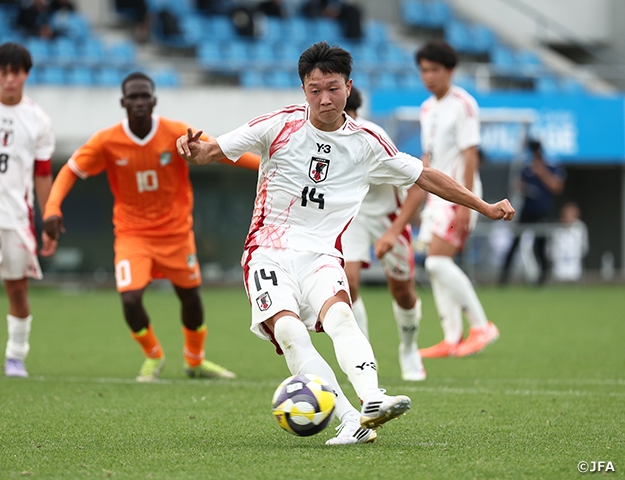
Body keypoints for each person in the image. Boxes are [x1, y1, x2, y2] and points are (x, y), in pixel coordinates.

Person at [176, 41, 514, 445]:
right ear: (304, 90)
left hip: (321, 254)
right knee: (290, 331)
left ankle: (372, 398)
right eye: (315, 89)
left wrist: (482, 205)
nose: (325, 99)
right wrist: (194, 150)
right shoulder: (279, 125)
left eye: (333, 88)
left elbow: (425, 175)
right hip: (267, 252)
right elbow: (211, 150)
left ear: (348, 88)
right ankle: (348, 419)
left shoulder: (367, 140)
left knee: (341, 316)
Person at [42, 72, 260, 382]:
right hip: (132, 235)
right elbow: (70, 170)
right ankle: (153, 355)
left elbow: (221, 151)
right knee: (130, 298)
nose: (140, 101)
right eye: (133, 96)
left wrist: (265, 166)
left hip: (176, 234)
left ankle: (195, 361)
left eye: (145, 96)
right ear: (123, 102)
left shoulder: (177, 133)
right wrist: (52, 207)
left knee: (191, 298)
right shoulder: (107, 141)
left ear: (154, 100)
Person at [412, 40, 500, 359]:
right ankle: (451, 338)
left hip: (457, 194)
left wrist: (466, 202)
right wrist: (421, 196)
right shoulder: (426, 108)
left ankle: (481, 326)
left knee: (437, 261)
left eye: (435, 69)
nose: (428, 76)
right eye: (424, 70)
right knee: (435, 267)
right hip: (436, 197)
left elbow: (469, 154)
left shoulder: (463, 104)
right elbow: (428, 157)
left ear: (450, 71)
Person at [341, 86, 426, 381]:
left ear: (352, 113)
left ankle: (409, 348)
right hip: (352, 218)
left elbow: (417, 187)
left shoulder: (373, 137)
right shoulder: (321, 137)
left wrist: (392, 232)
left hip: (388, 218)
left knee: (402, 292)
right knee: (347, 284)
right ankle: (365, 359)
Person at [0, 42, 56, 379]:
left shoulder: (38, 120)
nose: (9, 79)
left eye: (16, 72)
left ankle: (15, 357)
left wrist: (50, 217)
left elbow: (42, 173)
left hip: (18, 214)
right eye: (3, 72)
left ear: (26, 74)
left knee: (17, 290)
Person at [498, 139, 565, 285]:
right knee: (515, 242)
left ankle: (542, 278)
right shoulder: (526, 167)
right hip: (527, 210)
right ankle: (504, 278)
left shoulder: (551, 165)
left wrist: (541, 172)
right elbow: (520, 184)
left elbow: (557, 187)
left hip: (542, 211)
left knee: (540, 245)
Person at [549, 201, 588, 282]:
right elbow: (549, 250)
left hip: (575, 270)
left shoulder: (580, 228)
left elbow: (584, 248)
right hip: (558, 271)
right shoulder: (556, 229)